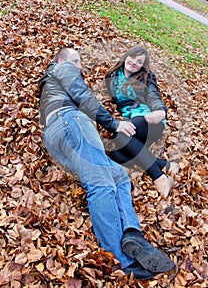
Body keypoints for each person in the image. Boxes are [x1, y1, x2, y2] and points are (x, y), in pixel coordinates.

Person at [38, 47, 175, 280]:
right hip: (70, 122)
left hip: (60, 136)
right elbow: (83, 97)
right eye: (76, 61)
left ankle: (131, 234)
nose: (80, 66)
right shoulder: (62, 67)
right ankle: (123, 260)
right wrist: (113, 124)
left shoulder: (53, 83)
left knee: (119, 176)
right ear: (61, 60)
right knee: (101, 183)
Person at [105, 46, 179, 197]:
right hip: (132, 120)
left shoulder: (145, 77)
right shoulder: (113, 76)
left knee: (120, 134)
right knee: (117, 156)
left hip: (150, 122)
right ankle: (166, 165)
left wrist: (160, 111)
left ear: (143, 66)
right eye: (132, 57)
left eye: (139, 62)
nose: (134, 63)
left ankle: (158, 177)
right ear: (126, 56)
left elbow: (153, 96)